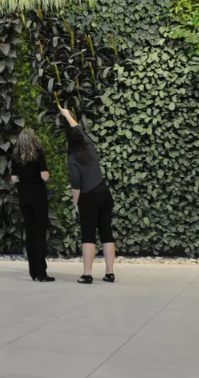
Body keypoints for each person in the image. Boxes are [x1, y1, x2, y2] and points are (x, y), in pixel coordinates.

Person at [59, 105, 115, 284]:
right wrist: (67, 114)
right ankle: (109, 272)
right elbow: (78, 129)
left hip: (88, 197)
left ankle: (87, 274)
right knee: (106, 232)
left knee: (88, 235)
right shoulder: (90, 146)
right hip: (104, 193)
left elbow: (76, 184)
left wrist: (76, 202)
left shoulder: (72, 158)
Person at [10, 128, 54, 282]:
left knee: (29, 234)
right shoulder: (38, 153)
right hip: (37, 195)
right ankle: (41, 272)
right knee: (40, 234)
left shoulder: (16, 156)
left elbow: (14, 178)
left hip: (24, 196)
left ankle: (33, 271)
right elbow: (45, 176)